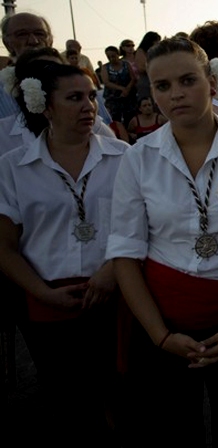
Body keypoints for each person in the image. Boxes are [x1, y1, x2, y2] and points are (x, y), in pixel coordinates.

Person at [106, 37, 218, 448]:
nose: (175, 95)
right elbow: (126, 253)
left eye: (188, 80)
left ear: (212, 80)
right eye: (162, 85)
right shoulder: (139, 158)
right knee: (171, 430)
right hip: (164, 320)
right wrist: (160, 336)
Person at [0, 59, 127, 447]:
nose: (89, 105)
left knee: (122, 394)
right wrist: (42, 293)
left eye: (92, 95)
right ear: (44, 105)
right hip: (49, 301)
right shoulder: (13, 168)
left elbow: (141, 227)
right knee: (70, 400)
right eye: (74, 97)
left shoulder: (125, 157)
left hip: (116, 293)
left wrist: (111, 273)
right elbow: (4, 246)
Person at [101, 45, 136, 125]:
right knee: (116, 120)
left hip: (128, 96)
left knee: (130, 117)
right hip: (114, 98)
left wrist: (127, 89)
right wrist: (121, 89)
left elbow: (133, 78)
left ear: (118, 54)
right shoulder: (105, 67)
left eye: (113, 56)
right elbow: (106, 82)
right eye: (109, 57)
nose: (111, 59)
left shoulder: (126, 64)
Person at [134, 31, 161, 101]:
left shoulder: (155, 51)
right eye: (156, 41)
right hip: (145, 81)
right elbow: (141, 67)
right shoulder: (140, 51)